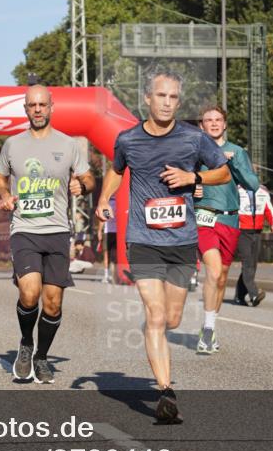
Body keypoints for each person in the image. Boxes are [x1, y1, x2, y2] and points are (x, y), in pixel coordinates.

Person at [96, 69, 230, 423]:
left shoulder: (194, 139)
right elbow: (116, 169)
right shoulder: (128, 139)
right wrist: (103, 198)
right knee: (155, 315)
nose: (167, 103)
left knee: (171, 317)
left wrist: (193, 177)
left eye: (173, 97)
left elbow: (223, 172)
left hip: (182, 240)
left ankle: (155, 337)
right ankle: (166, 391)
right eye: (161, 96)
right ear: (147, 99)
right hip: (143, 240)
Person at [0, 84, 95, 384]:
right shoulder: (12, 145)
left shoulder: (68, 145)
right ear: (25, 109)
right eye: (31, 105)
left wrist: (83, 185)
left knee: (53, 303)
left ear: (52, 107)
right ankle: (26, 344)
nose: (37, 110)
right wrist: (4, 194)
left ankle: (41, 356)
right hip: (25, 229)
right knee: (29, 293)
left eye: (42, 105)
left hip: (57, 232)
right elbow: (0, 178)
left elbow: (88, 175)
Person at [194, 106, 259, 353]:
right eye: (208, 120)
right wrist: (193, 189)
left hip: (230, 220)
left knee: (221, 278)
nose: (213, 123)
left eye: (217, 120)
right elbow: (180, 181)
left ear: (225, 124)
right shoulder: (194, 152)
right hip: (204, 218)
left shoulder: (237, 152)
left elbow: (253, 184)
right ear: (201, 126)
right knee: (212, 271)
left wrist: (233, 165)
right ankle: (208, 333)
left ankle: (209, 326)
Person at [235, 176, 273, 306]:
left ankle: (239, 295)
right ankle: (254, 294)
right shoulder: (237, 190)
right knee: (247, 263)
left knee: (252, 266)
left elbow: (269, 208)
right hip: (242, 232)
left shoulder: (263, 191)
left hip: (257, 232)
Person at [97, 195, 117, 283]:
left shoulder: (107, 204)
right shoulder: (120, 202)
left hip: (108, 231)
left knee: (106, 255)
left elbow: (104, 219)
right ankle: (114, 275)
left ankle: (106, 275)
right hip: (117, 232)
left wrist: (99, 231)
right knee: (116, 255)